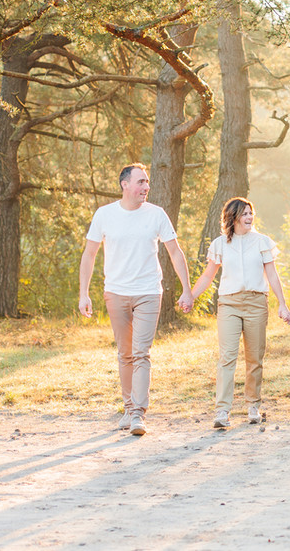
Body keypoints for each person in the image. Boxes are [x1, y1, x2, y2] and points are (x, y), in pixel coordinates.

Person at [78, 163, 194, 436]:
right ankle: (128, 408)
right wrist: (84, 293)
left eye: (147, 182)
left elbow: (175, 253)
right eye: (141, 182)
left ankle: (139, 414)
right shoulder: (104, 214)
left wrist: (187, 289)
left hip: (148, 292)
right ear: (125, 185)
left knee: (141, 353)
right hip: (115, 292)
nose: (146, 187)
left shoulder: (156, 215)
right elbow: (89, 254)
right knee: (125, 353)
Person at [190, 197, 290, 429]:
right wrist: (191, 296)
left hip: (256, 303)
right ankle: (222, 411)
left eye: (251, 213)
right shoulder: (220, 244)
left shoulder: (262, 242)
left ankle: (253, 405)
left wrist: (282, 304)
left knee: (255, 358)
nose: (249, 217)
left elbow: (273, 275)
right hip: (229, 304)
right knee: (227, 357)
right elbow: (208, 275)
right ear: (233, 217)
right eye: (244, 214)